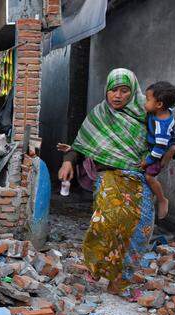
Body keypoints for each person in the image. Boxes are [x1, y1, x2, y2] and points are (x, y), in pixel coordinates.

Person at [57, 68, 155, 294]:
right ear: (106, 91)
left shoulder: (146, 112)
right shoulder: (99, 114)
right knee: (105, 222)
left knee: (140, 229)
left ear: (133, 91)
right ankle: (96, 267)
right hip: (108, 175)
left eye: (123, 90)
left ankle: (120, 281)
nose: (117, 96)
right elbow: (81, 144)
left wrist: (166, 154)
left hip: (140, 178)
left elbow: (166, 138)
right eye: (113, 90)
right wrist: (68, 161)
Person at [141, 81, 175, 219]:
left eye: (147, 100)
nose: (144, 103)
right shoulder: (162, 111)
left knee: (149, 177)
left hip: (160, 151)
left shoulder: (161, 127)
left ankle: (162, 199)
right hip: (167, 145)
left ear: (159, 104)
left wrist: (146, 162)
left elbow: (159, 149)